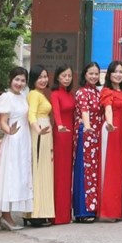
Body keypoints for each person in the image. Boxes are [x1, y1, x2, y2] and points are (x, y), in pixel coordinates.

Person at [0, 66, 33, 228]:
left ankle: (6, 215)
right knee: (9, 177)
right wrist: (8, 131)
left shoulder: (23, 97)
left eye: (23, 80)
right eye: (17, 79)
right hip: (13, 140)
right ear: (10, 80)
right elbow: (3, 121)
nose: (19, 83)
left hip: (24, 140)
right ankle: (5, 215)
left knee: (19, 176)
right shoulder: (6, 97)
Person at [73, 61, 103, 220]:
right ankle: (83, 211)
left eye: (96, 74)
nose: (94, 76)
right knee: (85, 171)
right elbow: (84, 110)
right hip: (86, 134)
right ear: (85, 74)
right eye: (91, 73)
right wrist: (88, 126)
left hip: (97, 134)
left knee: (94, 171)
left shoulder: (98, 92)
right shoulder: (82, 92)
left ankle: (94, 207)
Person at [26, 66, 54, 225]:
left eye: (45, 76)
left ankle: (39, 212)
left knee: (43, 171)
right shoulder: (34, 94)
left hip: (44, 132)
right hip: (39, 132)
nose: (43, 80)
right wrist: (38, 130)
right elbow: (31, 114)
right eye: (39, 77)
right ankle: (34, 214)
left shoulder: (40, 94)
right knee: (38, 171)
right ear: (33, 80)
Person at [98, 61, 122, 221]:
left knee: (120, 169)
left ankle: (119, 209)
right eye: (115, 72)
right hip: (112, 130)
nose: (118, 75)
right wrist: (109, 123)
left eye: (121, 72)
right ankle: (108, 211)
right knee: (111, 169)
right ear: (109, 74)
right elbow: (108, 109)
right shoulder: (107, 91)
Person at [49, 65, 76, 225]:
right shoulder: (55, 94)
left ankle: (66, 213)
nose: (67, 78)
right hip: (61, 134)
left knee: (68, 173)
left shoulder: (70, 94)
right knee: (60, 173)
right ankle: (58, 215)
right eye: (64, 76)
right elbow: (56, 113)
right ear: (57, 77)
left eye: (69, 76)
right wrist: (59, 125)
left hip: (71, 134)